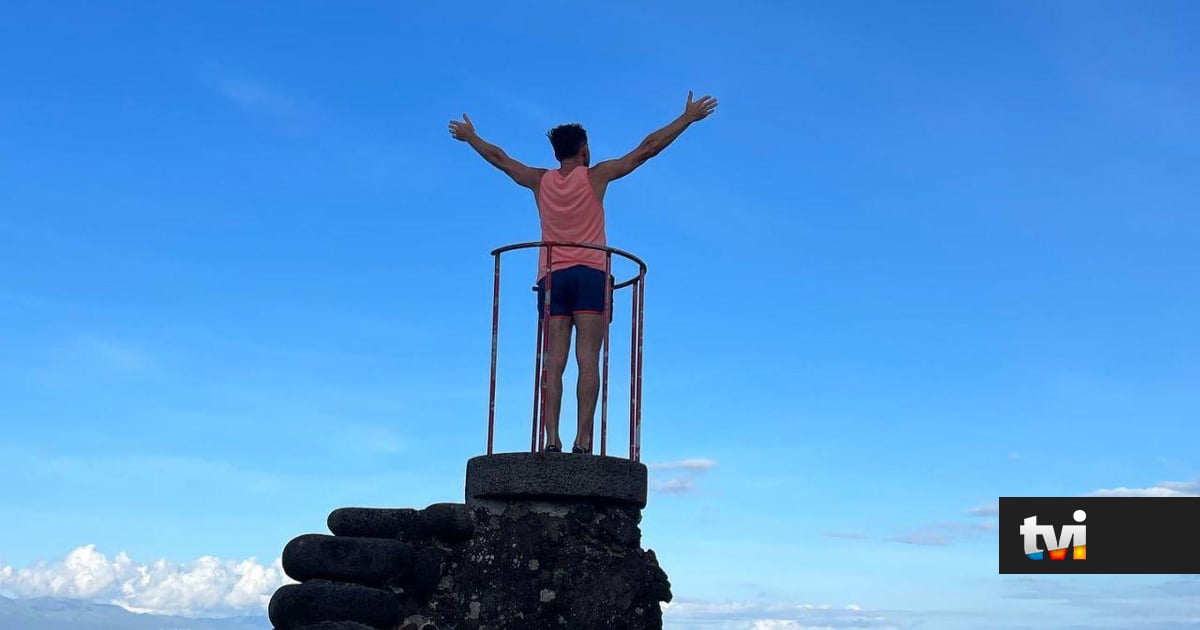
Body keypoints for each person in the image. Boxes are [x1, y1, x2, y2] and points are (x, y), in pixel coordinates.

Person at [449, 91, 718, 454]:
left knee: (554, 362)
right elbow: (647, 149)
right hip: (591, 273)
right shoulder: (596, 176)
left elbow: (501, 159)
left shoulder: (539, 180)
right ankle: (583, 439)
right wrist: (686, 119)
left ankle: (552, 439)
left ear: (556, 153)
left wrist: (471, 138)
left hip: (553, 277)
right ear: (584, 149)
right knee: (587, 360)